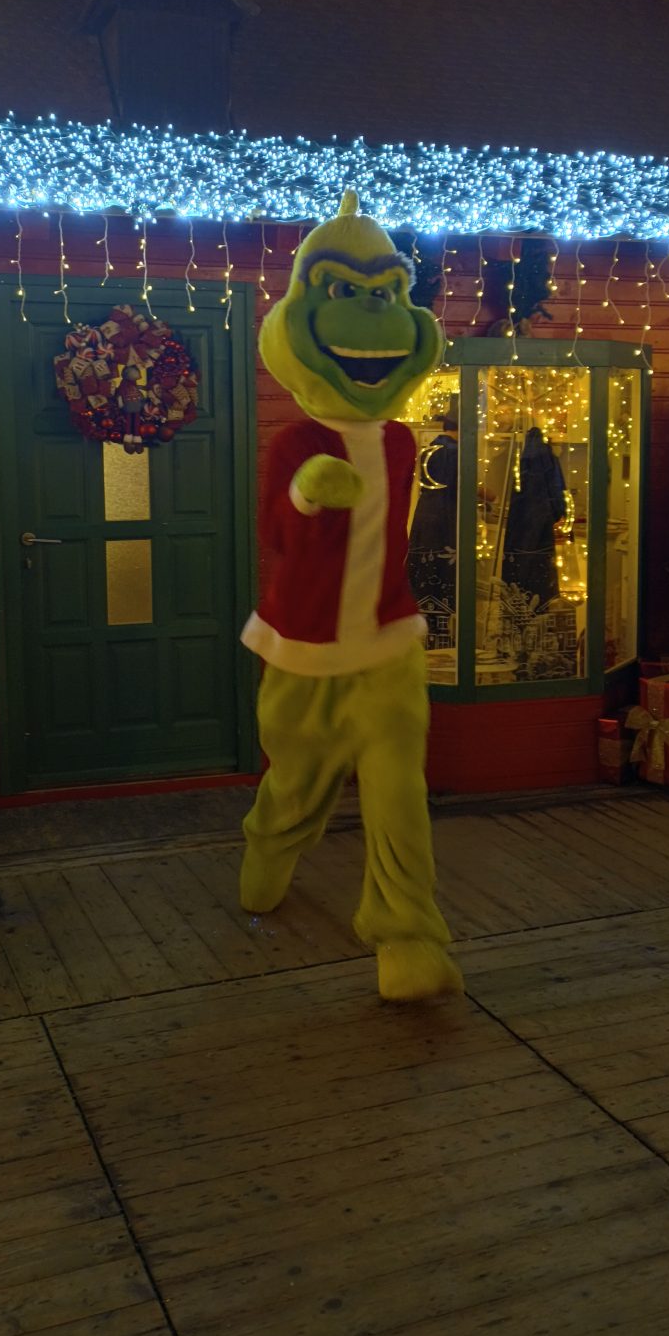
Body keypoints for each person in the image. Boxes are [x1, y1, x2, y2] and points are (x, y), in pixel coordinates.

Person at [240, 191, 462, 1002]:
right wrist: (307, 492)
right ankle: (269, 842)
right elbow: (276, 532)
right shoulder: (294, 441)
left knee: (399, 786)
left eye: (387, 293)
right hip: (303, 647)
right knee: (297, 782)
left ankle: (406, 935)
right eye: (343, 291)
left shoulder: (401, 441)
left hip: (388, 641)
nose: (373, 313)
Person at [503, 425, 567, 605]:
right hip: (542, 525)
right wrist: (559, 513)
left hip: (519, 527)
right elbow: (558, 492)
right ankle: (541, 605)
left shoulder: (520, 463)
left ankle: (517, 606)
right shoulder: (549, 461)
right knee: (541, 569)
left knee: (520, 568)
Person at [406, 414, 459, 629]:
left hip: (424, 513)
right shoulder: (454, 452)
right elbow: (460, 487)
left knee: (424, 568)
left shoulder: (429, 449)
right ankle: (440, 625)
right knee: (443, 570)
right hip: (445, 516)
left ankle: (421, 620)